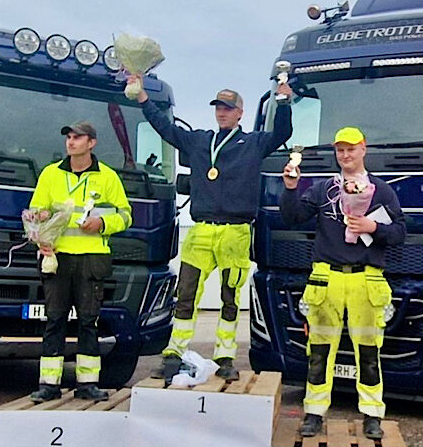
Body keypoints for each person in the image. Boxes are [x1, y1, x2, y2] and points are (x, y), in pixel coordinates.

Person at [128, 73, 292, 382]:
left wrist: (283, 101)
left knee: (230, 298)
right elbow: (166, 129)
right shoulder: (200, 140)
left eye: (228, 108)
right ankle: (174, 353)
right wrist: (143, 99)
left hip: (235, 232)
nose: (222, 112)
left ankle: (225, 357)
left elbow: (283, 132)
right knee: (186, 294)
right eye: (218, 107)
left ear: (240, 113)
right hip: (201, 230)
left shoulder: (254, 142)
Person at [280, 126, 406, 439]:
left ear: (364, 149)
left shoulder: (381, 191)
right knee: (319, 351)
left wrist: (372, 227)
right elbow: (292, 217)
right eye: (340, 150)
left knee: (369, 353)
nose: (345, 155)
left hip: (366, 280)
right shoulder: (323, 189)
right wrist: (291, 188)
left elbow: (400, 233)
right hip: (327, 280)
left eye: (351, 149)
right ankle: (314, 412)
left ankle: (372, 415)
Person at [29, 121, 132, 403]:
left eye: (77, 137)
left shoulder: (107, 177)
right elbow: (36, 211)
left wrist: (102, 224)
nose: (71, 142)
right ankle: (49, 384)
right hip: (57, 257)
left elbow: (126, 215)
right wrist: (39, 230)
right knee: (54, 319)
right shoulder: (51, 174)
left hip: (91, 258)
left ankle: (87, 384)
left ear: (91, 143)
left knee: (88, 321)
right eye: (69, 137)